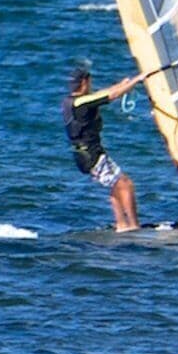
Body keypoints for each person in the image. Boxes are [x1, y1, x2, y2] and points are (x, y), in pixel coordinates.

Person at [67, 61, 148, 231]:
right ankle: (133, 226)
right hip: (91, 155)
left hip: (84, 155)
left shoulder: (71, 101)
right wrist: (137, 80)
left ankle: (121, 224)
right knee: (125, 183)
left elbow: (104, 93)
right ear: (84, 83)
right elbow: (111, 96)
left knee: (116, 184)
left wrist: (124, 84)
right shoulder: (80, 103)